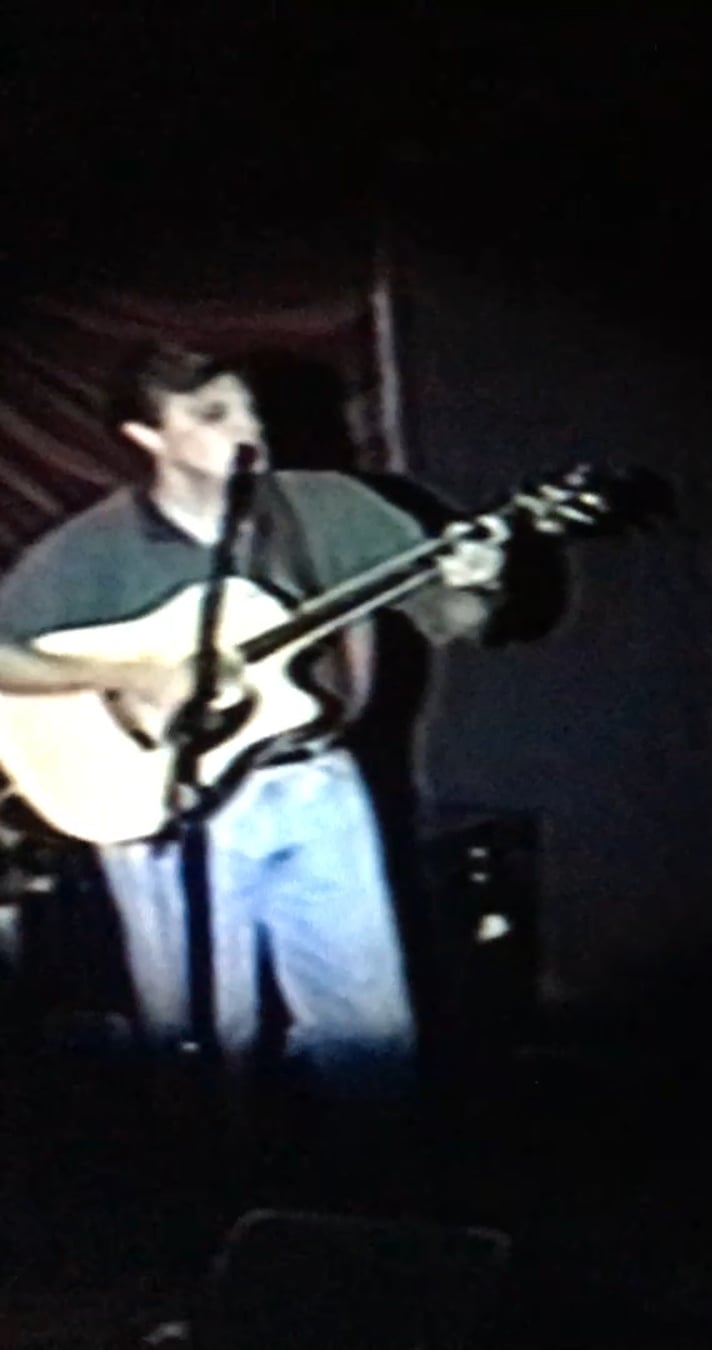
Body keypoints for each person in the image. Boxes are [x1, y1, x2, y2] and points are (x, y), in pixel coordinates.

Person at [0, 341, 508, 1101]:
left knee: (369, 1028)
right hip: (166, 804)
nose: (247, 428)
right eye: (213, 414)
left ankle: (377, 1170)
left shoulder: (325, 509)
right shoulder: (95, 549)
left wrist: (481, 581)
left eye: (247, 409)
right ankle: (215, 1170)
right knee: (202, 1040)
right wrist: (131, 677)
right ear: (148, 437)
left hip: (317, 784)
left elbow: (460, 618)